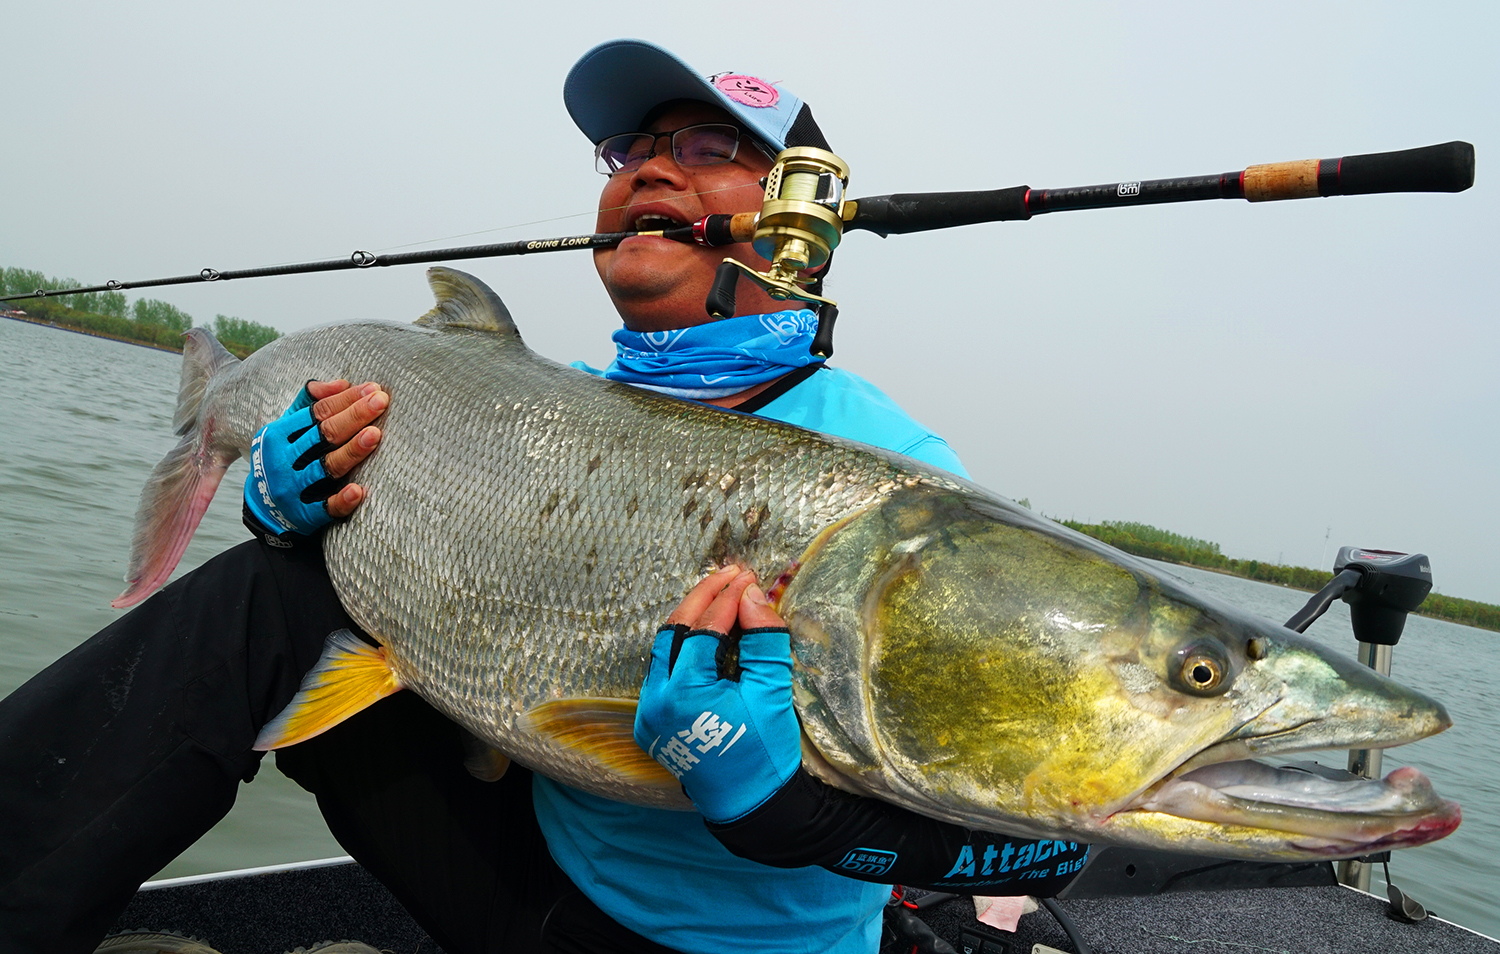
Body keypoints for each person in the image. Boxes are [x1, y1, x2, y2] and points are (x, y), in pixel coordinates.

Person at [0, 40, 1086, 954]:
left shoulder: (891, 474)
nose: (651, 170)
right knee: (271, 588)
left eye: (711, 149)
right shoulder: (539, 409)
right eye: (630, 151)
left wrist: (792, 810)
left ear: (806, 211)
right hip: (528, 876)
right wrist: (284, 510)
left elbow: (1057, 842)